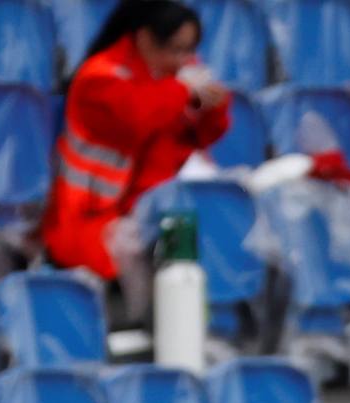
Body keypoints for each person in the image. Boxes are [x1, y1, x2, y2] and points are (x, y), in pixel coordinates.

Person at [42, 0, 230, 325]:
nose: (185, 61)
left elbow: (201, 136)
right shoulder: (99, 77)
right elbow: (138, 118)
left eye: (190, 50)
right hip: (91, 218)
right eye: (176, 50)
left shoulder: (172, 79)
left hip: (150, 212)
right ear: (144, 39)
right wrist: (183, 92)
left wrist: (211, 105)